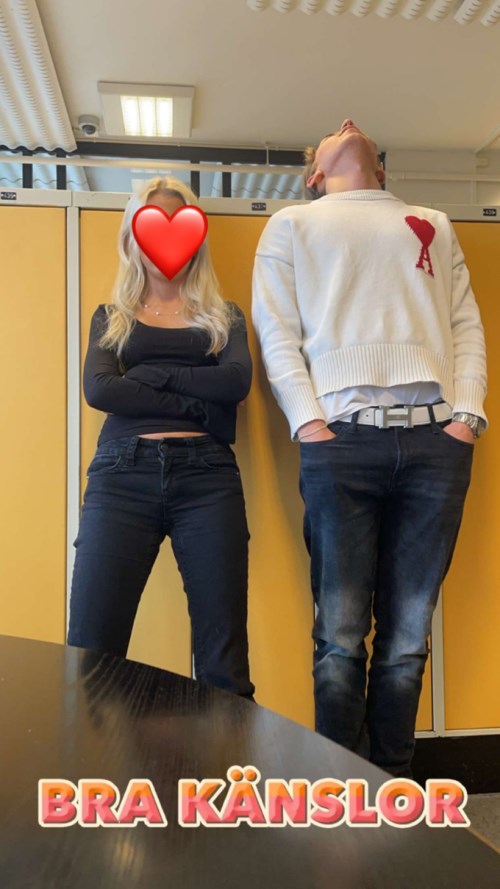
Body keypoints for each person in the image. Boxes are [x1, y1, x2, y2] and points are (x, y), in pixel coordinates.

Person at [252, 119, 487, 775]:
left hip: (436, 441)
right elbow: (276, 333)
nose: (348, 124)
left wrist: (467, 417)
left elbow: (466, 327)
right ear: (315, 174)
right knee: (340, 636)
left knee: (408, 638)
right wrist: (309, 423)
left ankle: (393, 788)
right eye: (332, 134)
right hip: (341, 442)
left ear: (382, 169)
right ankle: (342, 792)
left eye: (353, 130)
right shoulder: (293, 224)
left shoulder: (432, 222)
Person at [68, 176, 254, 699]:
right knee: (91, 653)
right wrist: (201, 406)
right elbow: (101, 390)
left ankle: (225, 758)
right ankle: (88, 757)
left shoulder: (224, 317)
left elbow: (236, 382)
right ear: (132, 237)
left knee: (224, 664)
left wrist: (150, 376)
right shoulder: (112, 318)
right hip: (121, 477)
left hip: (208, 479)